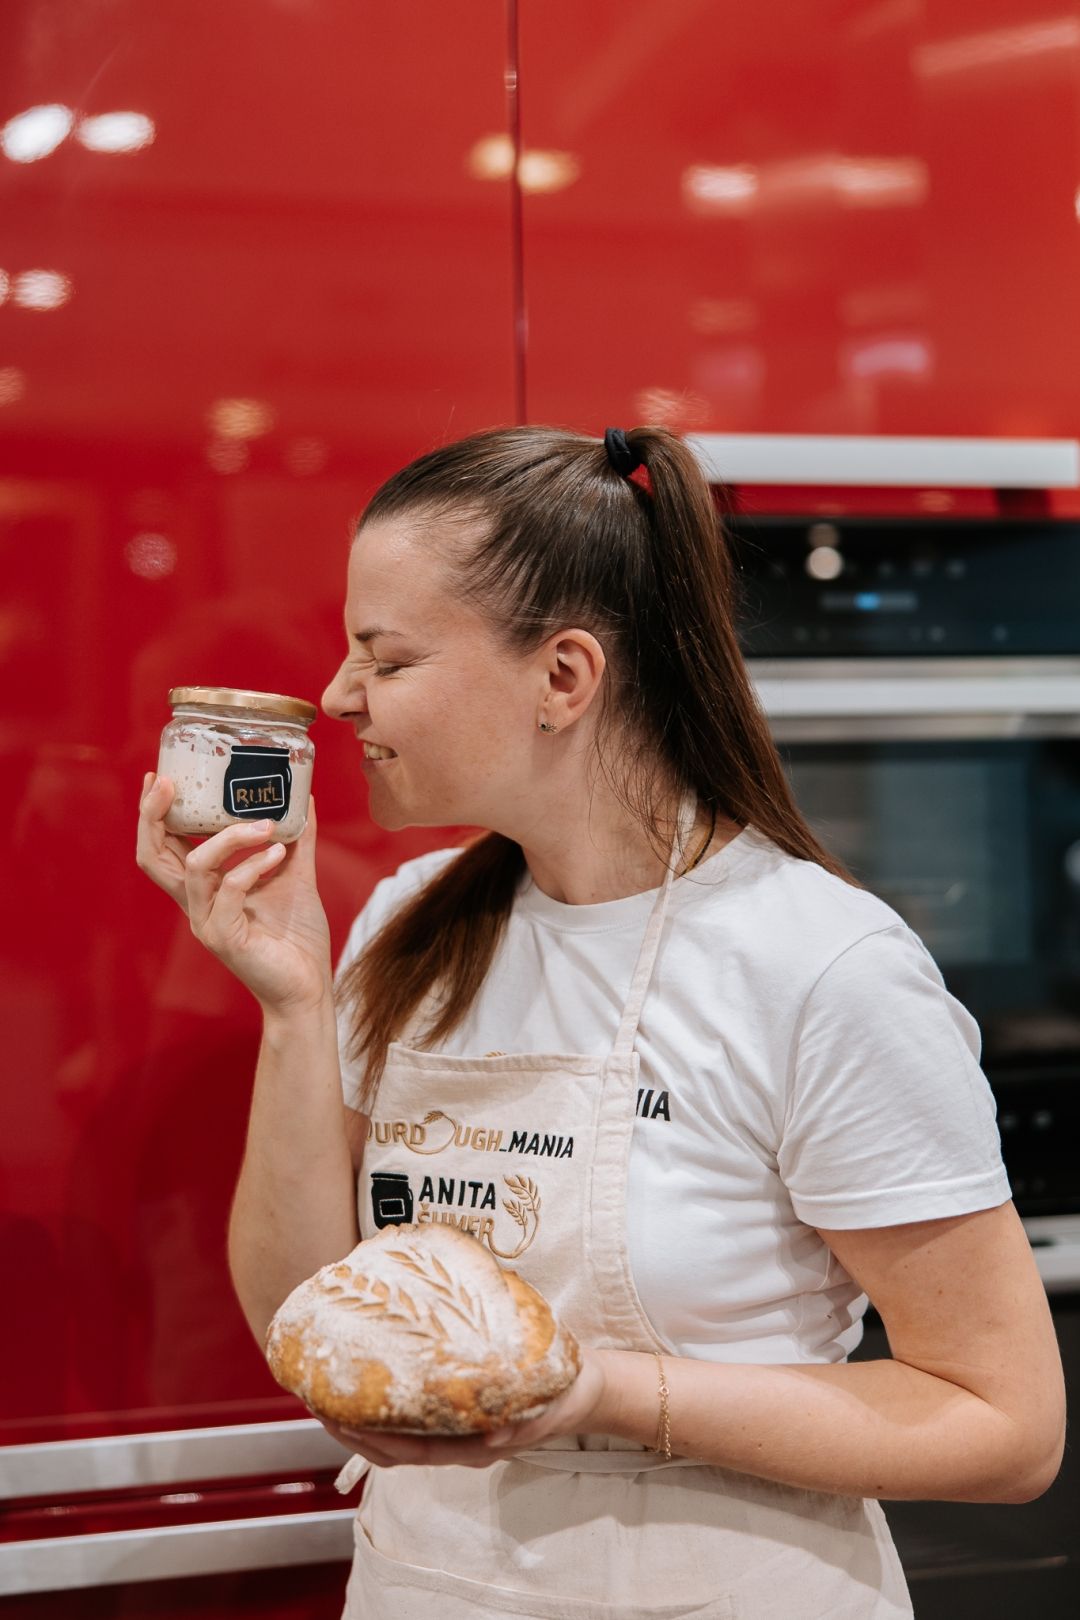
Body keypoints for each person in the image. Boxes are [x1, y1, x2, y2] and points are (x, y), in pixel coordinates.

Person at [136, 425, 1065, 1619]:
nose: (335, 696)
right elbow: (303, 1320)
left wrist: (596, 1393)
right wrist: (292, 998)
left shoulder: (820, 966)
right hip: (429, 1587)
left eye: (387, 657)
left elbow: (1005, 1425)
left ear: (564, 679)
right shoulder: (411, 921)